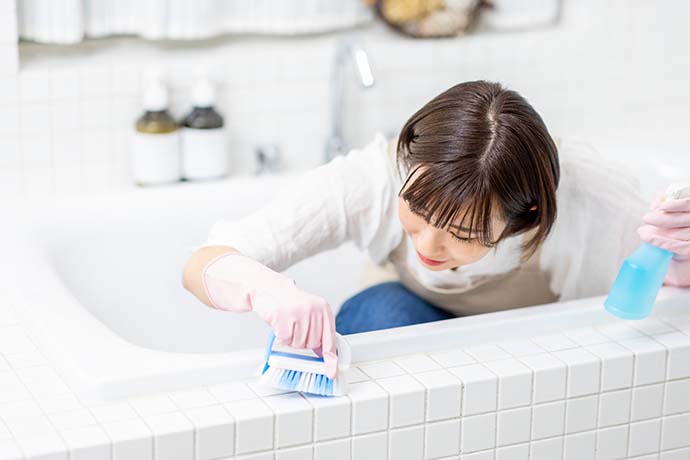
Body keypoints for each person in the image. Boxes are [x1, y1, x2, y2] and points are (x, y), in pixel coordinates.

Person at [181, 81, 690, 379]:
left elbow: (661, 296)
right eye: (416, 209)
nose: (428, 245)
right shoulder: (371, 181)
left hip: (530, 349)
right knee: (385, 315)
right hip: (405, 318)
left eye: (463, 233)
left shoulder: (587, 201)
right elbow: (205, 261)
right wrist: (267, 287)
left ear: (527, 216)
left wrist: (682, 258)